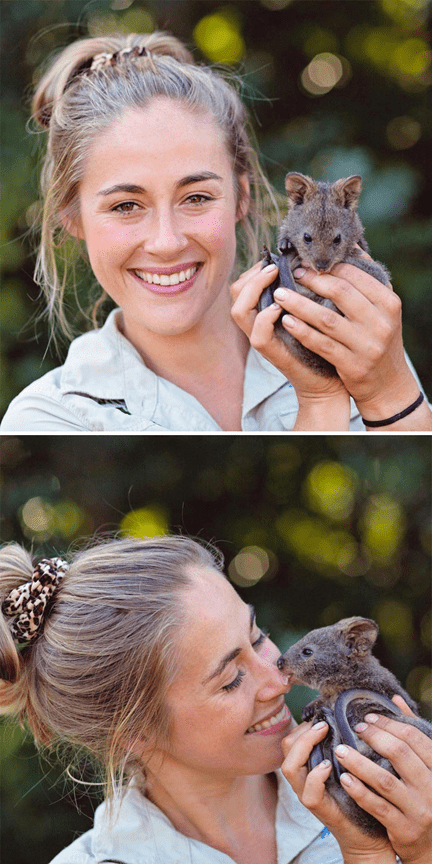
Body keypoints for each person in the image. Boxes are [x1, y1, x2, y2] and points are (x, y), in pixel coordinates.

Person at [0, 31, 431, 433]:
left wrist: (388, 388)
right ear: (72, 217)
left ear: (241, 198)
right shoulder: (51, 418)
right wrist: (320, 397)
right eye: (126, 205)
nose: (167, 242)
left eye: (197, 198)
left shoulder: (360, 339)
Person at [1, 535, 431, 864]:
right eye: (229, 680)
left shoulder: (402, 790)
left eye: (257, 636)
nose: (278, 681)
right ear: (131, 731)